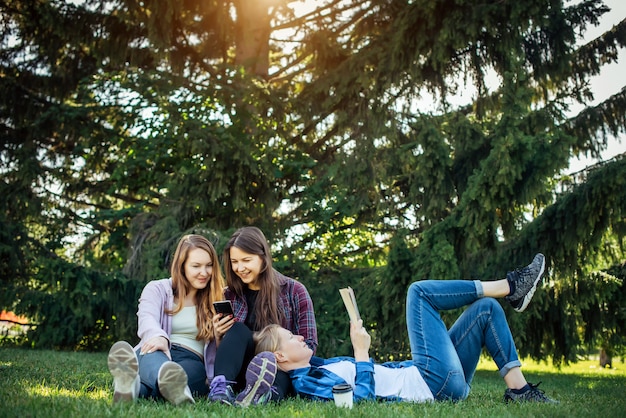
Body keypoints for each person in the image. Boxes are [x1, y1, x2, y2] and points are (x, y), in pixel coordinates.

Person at [254, 253, 559, 404]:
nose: (300, 335)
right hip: (431, 384)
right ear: (280, 358)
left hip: (432, 379)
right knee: (419, 293)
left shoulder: (321, 366)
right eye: (291, 337)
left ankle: (520, 390)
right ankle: (510, 285)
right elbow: (358, 402)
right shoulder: (307, 384)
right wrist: (361, 352)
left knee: (486, 309)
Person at [107, 234, 225, 405]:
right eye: (196, 266)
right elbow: (147, 317)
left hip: (190, 359)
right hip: (155, 350)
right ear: (181, 266)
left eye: (209, 266)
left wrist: (219, 336)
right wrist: (159, 336)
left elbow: (222, 351)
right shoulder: (157, 289)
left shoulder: (217, 298)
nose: (204, 272)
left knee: (189, 376)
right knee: (159, 364)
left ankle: (133, 387)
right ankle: (163, 379)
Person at [207, 226, 318, 406]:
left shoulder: (294, 291)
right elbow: (227, 350)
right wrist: (219, 335)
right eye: (234, 261)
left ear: (263, 257)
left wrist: (281, 357)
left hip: (279, 368)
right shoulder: (230, 295)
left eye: (246, 260)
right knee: (238, 329)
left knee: (277, 377)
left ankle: (259, 396)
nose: (239, 268)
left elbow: (310, 345)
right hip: (240, 369)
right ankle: (221, 389)